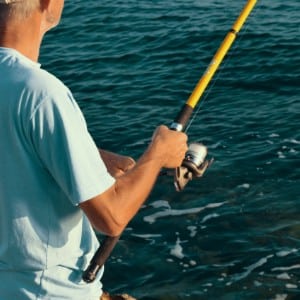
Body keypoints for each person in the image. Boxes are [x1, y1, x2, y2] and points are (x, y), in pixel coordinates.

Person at [0, 1, 188, 299]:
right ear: (47, 2)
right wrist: (158, 154)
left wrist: (89, 156)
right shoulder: (42, 93)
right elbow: (111, 217)